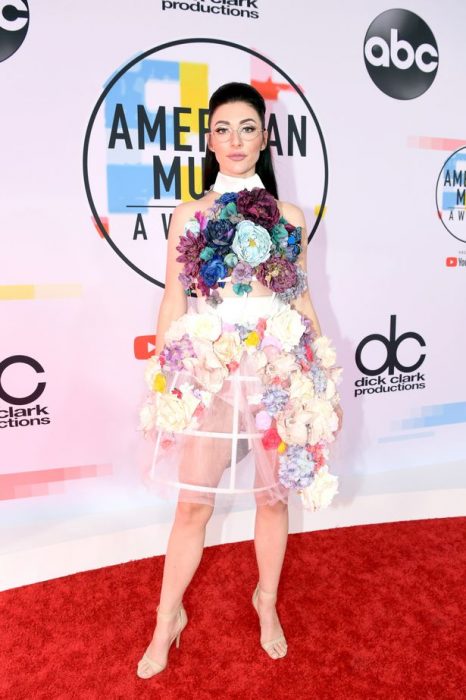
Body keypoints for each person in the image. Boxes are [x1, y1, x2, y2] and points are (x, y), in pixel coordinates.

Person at [137, 82, 343, 679]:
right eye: (223, 129)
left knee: (271, 499)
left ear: (264, 138)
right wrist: (163, 374)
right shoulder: (189, 215)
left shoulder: (290, 218)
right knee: (193, 507)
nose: (235, 140)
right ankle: (165, 618)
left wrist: (321, 371)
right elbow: (174, 301)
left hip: (278, 371)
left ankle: (267, 602)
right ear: (209, 138)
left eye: (247, 128)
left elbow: (300, 301)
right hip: (214, 367)